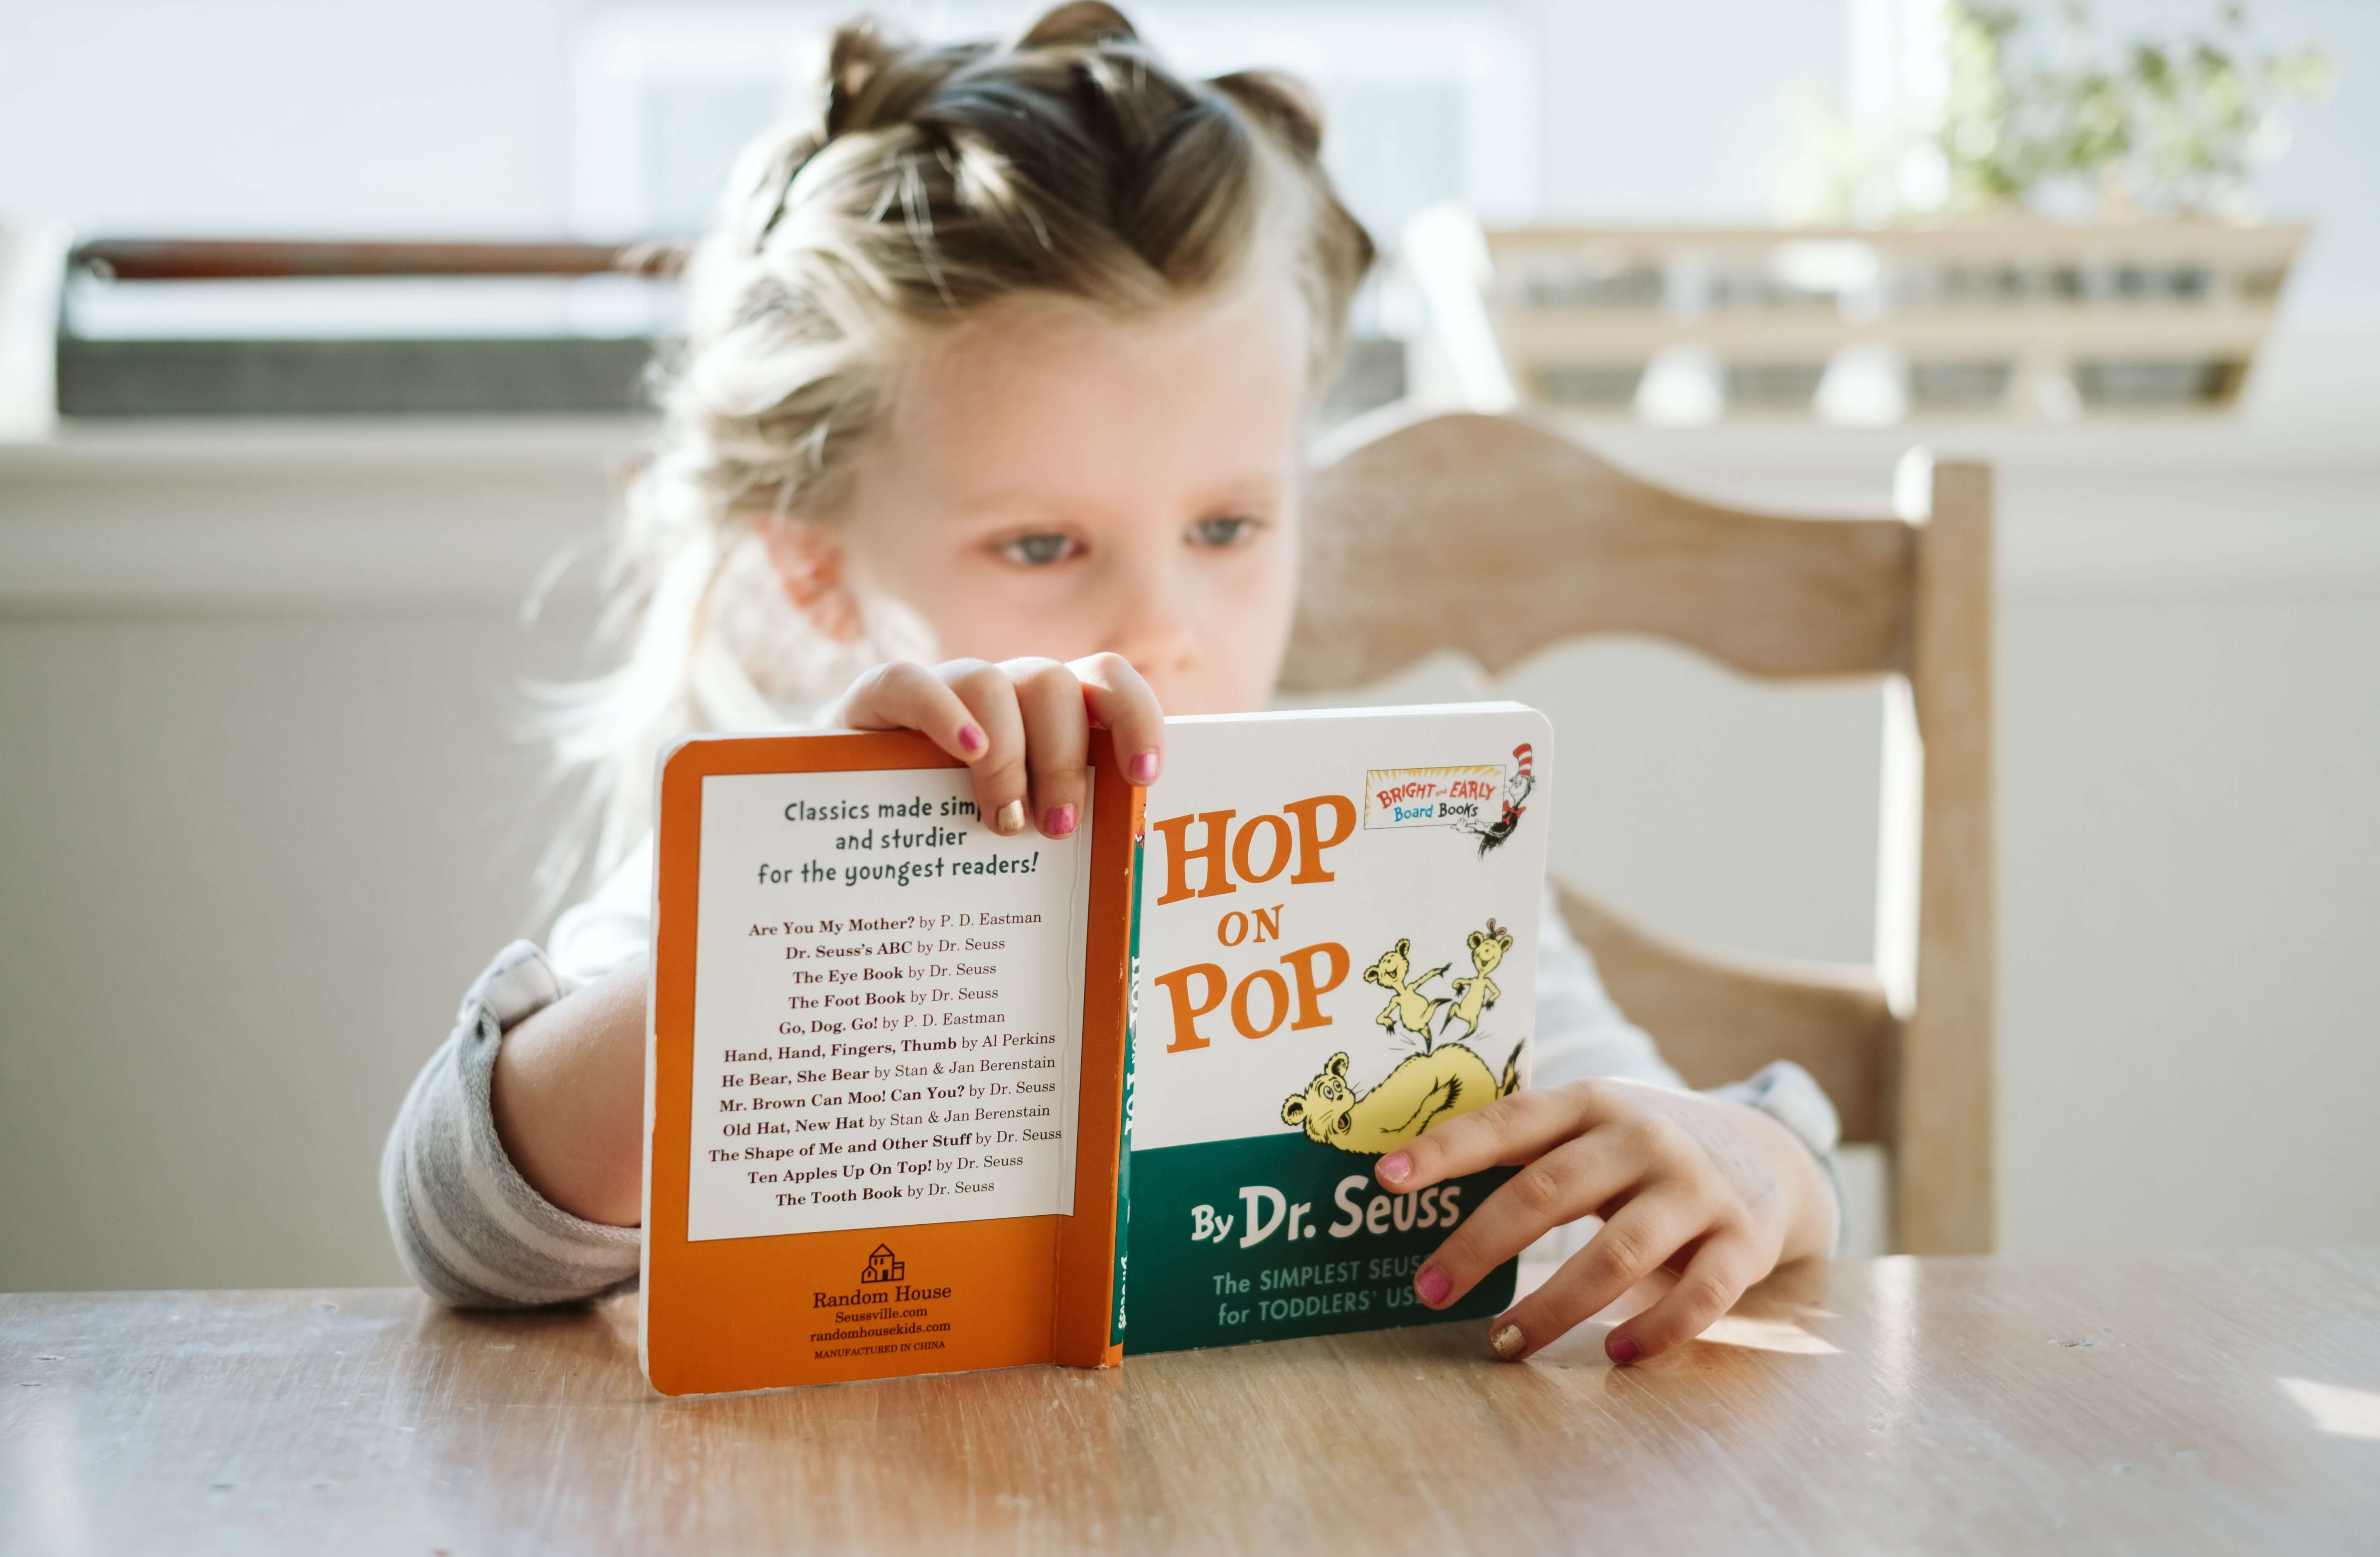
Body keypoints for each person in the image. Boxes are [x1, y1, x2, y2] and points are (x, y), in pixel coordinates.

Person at [382, 2, 1841, 1367]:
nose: (1160, 624)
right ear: (817, 573)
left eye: (1226, 528)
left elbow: (1716, 1154)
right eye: (1041, 543)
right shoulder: (766, 855)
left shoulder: (1411, 856)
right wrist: (798, 917)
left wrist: (1756, 1168)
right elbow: (463, 1227)